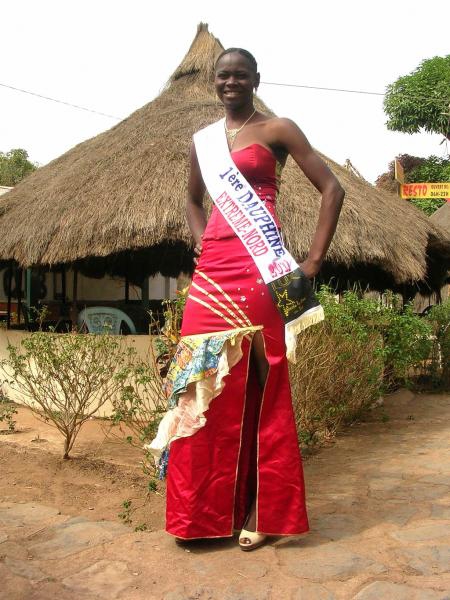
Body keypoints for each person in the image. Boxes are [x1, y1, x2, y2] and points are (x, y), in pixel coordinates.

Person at [149, 47, 345, 551]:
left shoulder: (278, 128)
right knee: (200, 381)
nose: (230, 82)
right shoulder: (204, 142)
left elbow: (332, 188)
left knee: (265, 381)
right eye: (223, 76)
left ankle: (262, 511)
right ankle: (199, 514)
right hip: (212, 274)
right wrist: (202, 240)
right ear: (214, 82)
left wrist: (313, 262)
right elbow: (193, 199)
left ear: (256, 78)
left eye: (240, 75)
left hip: (263, 272)